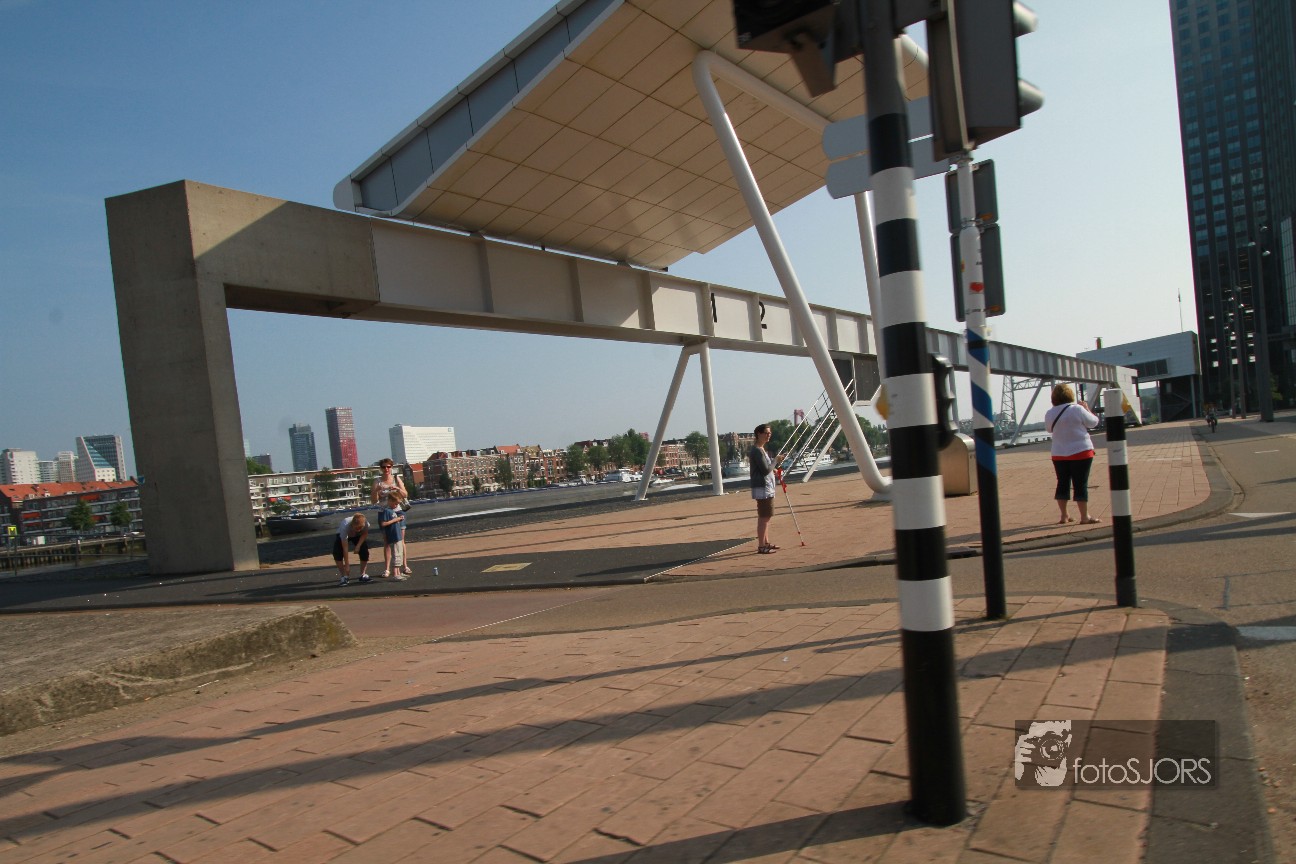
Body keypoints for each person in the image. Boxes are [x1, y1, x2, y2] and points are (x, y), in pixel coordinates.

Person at [1044, 383, 1101, 525]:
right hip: (1081, 451)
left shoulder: (1050, 413)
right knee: (1080, 484)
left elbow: (1049, 429)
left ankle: (1064, 516)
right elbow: (1093, 422)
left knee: (1062, 483)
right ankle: (1084, 517)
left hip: (1058, 453)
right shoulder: (1077, 409)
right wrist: (1086, 409)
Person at [371, 459, 411, 577]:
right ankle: (387, 569)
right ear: (381, 468)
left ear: (391, 467)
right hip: (384, 512)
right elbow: (374, 501)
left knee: (401, 540)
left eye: (388, 467)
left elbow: (405, 494)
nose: (386, 469)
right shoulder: (377, 481)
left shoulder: (396, 478)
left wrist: (397, 489)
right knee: (387, 541)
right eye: (384, 467)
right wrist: (376, 491)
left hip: (398, 511)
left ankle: (405, 565)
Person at [749, 423, 784, 553]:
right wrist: (775, 461)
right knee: (764, 517)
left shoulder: (761, 449)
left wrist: (773, 468)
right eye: (766, 433)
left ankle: (766, 542)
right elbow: (764, 470)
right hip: (763, 488)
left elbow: (766, 468)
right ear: (759, 434)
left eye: (770, 433)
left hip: (766, 487)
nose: (769, 435)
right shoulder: (757, 451)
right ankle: (761, 545)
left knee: (766, 516)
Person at [332, 512, 371, 586]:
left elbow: (364, 533)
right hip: (344, 535)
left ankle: (363, 574)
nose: (358, 530)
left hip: (358, 536)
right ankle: (344, 576)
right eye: (357, 528)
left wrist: (358, 546)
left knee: (364, 551)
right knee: (337, 553)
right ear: (352, 525)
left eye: (360, 528)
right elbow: (345, 548)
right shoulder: (345, 525)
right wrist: (347, 565)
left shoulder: (365, 523)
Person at [378, 493, 409, 581]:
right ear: (390, 501)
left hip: (397, 535)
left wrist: (398, 520)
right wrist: (396, 519)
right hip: (393, 536)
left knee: (399, 554)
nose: (396, 506)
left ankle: (398, 573)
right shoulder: (387, 511)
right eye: (395, 504)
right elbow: (383, 523)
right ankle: (395, 574)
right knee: (396, 554)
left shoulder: (392, 511)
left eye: (397, 504)